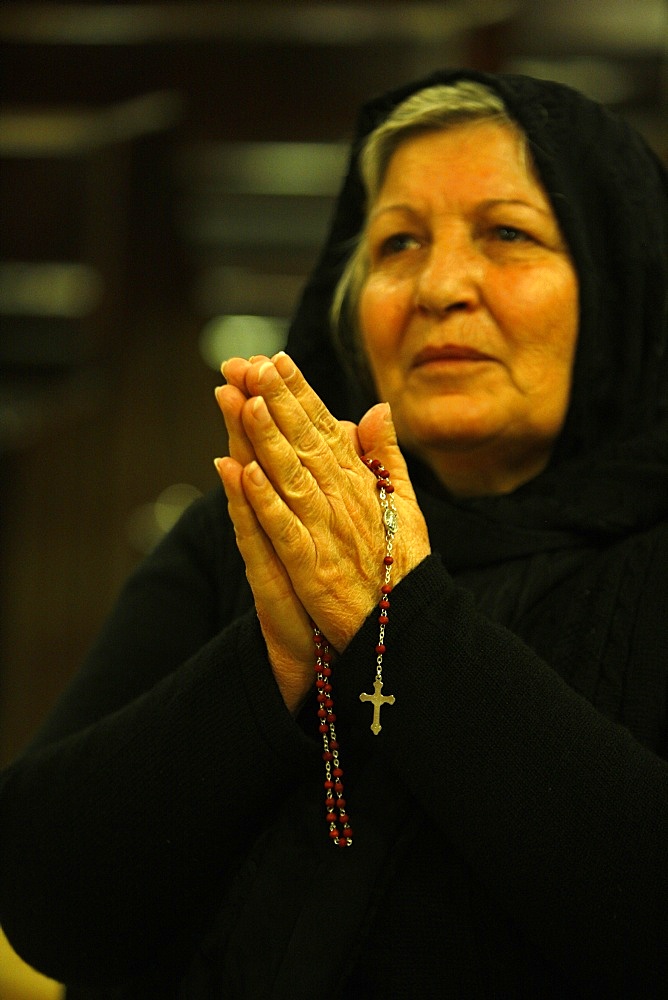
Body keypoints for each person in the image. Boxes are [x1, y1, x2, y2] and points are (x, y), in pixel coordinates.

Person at [1, 67, 667, 999]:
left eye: (507, 234)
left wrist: (394, 622)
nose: (439, 286)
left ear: (619, 279)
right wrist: (275, 657)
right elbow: (46, 899)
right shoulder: (258, 532)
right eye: (397, 243)